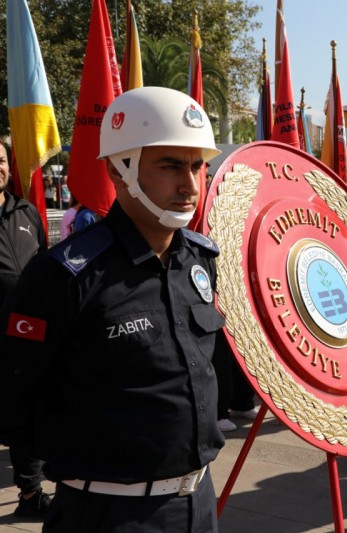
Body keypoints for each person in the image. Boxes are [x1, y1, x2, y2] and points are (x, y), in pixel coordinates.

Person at [0, 87, 225, 532]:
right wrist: (83, 464)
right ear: (119, 169)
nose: (190, 185)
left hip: (199, 505)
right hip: (107, 514)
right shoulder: (66, 275)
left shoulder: (199, 260)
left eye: (198, 166)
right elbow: (11, 394)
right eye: (170, 166)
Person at [0, 142, 50, 519]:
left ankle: (30, 495)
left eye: (0, 161)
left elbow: (44, 263)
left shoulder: (26, 211)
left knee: (26, 413)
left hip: (27, 337)